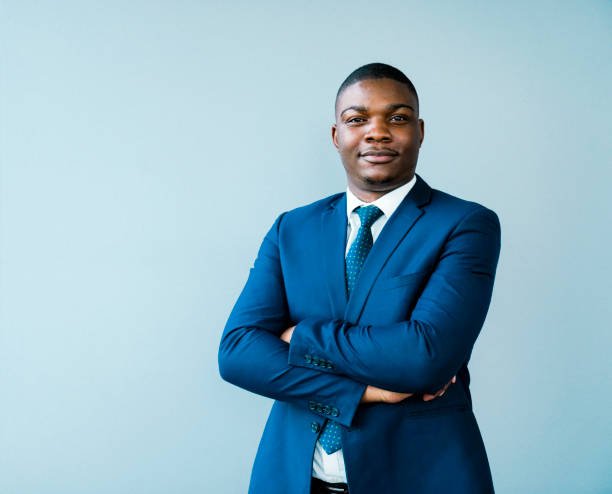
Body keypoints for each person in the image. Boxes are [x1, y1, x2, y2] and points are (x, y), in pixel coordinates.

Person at [218, 63, 501, 494]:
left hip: (419, 478)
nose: (377, 132)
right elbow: (238, 353)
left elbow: (424, 358)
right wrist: (367, 392)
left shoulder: (464, 224)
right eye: (357, 120)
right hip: (292, 478)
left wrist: (301, 337)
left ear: (420, 131)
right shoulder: (292, 228)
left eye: (398, 118)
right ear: (337, 136)